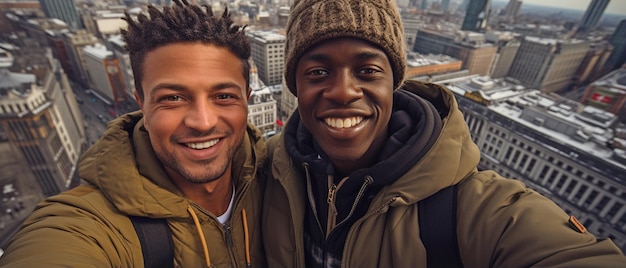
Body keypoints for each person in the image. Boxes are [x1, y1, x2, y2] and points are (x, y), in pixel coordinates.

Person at [260, 0, 626, 267]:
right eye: (318, 73)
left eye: (368, 70)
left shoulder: (472, 208)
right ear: (294, 86)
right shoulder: (267, 169)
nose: (343, 92)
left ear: (394, 83)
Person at [0, 0, 266, 267]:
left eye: (223, 96)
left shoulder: (278, 177)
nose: (203, 122)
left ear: (246, 99)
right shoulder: (89, 224)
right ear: (141, 104)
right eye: (173, 97)